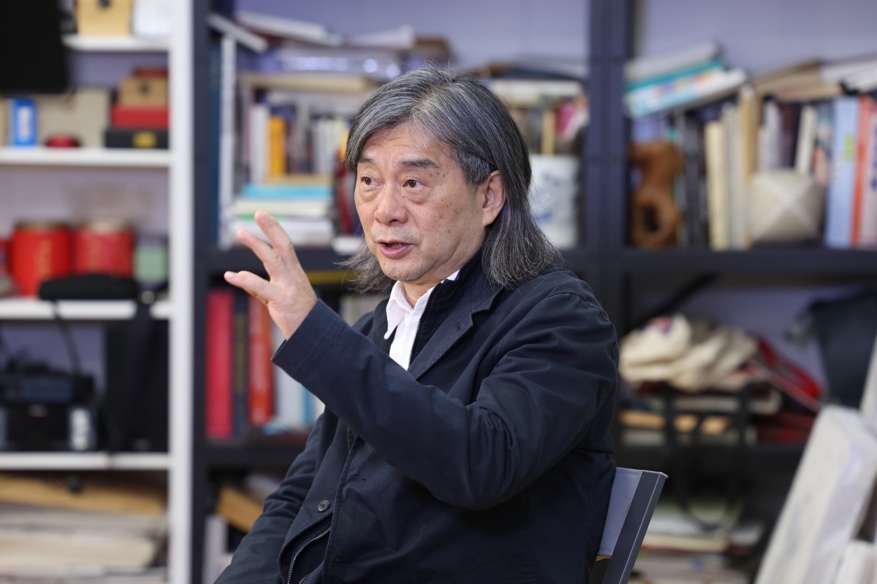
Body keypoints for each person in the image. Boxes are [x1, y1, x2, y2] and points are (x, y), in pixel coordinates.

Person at [216, 65, 618, 583]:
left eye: (413, 183)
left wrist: (315, 335)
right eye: (369, 181)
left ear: (489, 196)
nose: (385, 210)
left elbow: (482, 465)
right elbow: (302, 499)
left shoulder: (560, 317)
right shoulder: (380, 327)